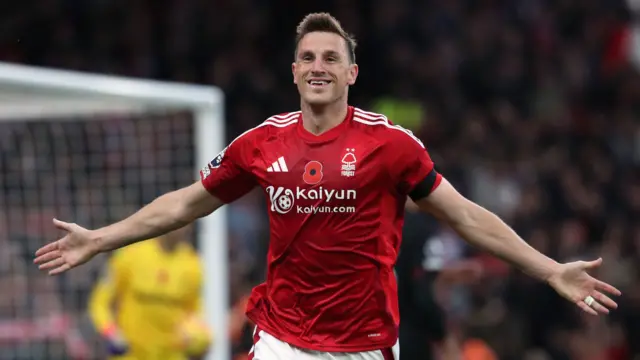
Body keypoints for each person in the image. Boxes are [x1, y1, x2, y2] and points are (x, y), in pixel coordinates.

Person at [35, 12, 620, 360]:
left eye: (330, 57)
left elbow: (466, 216)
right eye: (307, 56)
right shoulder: (261, 143)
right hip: (282, 337)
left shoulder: (390, 145)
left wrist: (548, 269)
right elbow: (186, 203)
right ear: (294, 71)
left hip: (362, 342)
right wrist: (100, 239)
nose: (318, 65)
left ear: (350, 73)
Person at [87, 226, 212, 360]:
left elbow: (194, 313)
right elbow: (99, 303)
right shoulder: (131, 253)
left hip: (172, 355)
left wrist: (198, 338)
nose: (180, 227)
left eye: (188, 221)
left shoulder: (193, 264)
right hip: (131, 354)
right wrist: (111, 332)